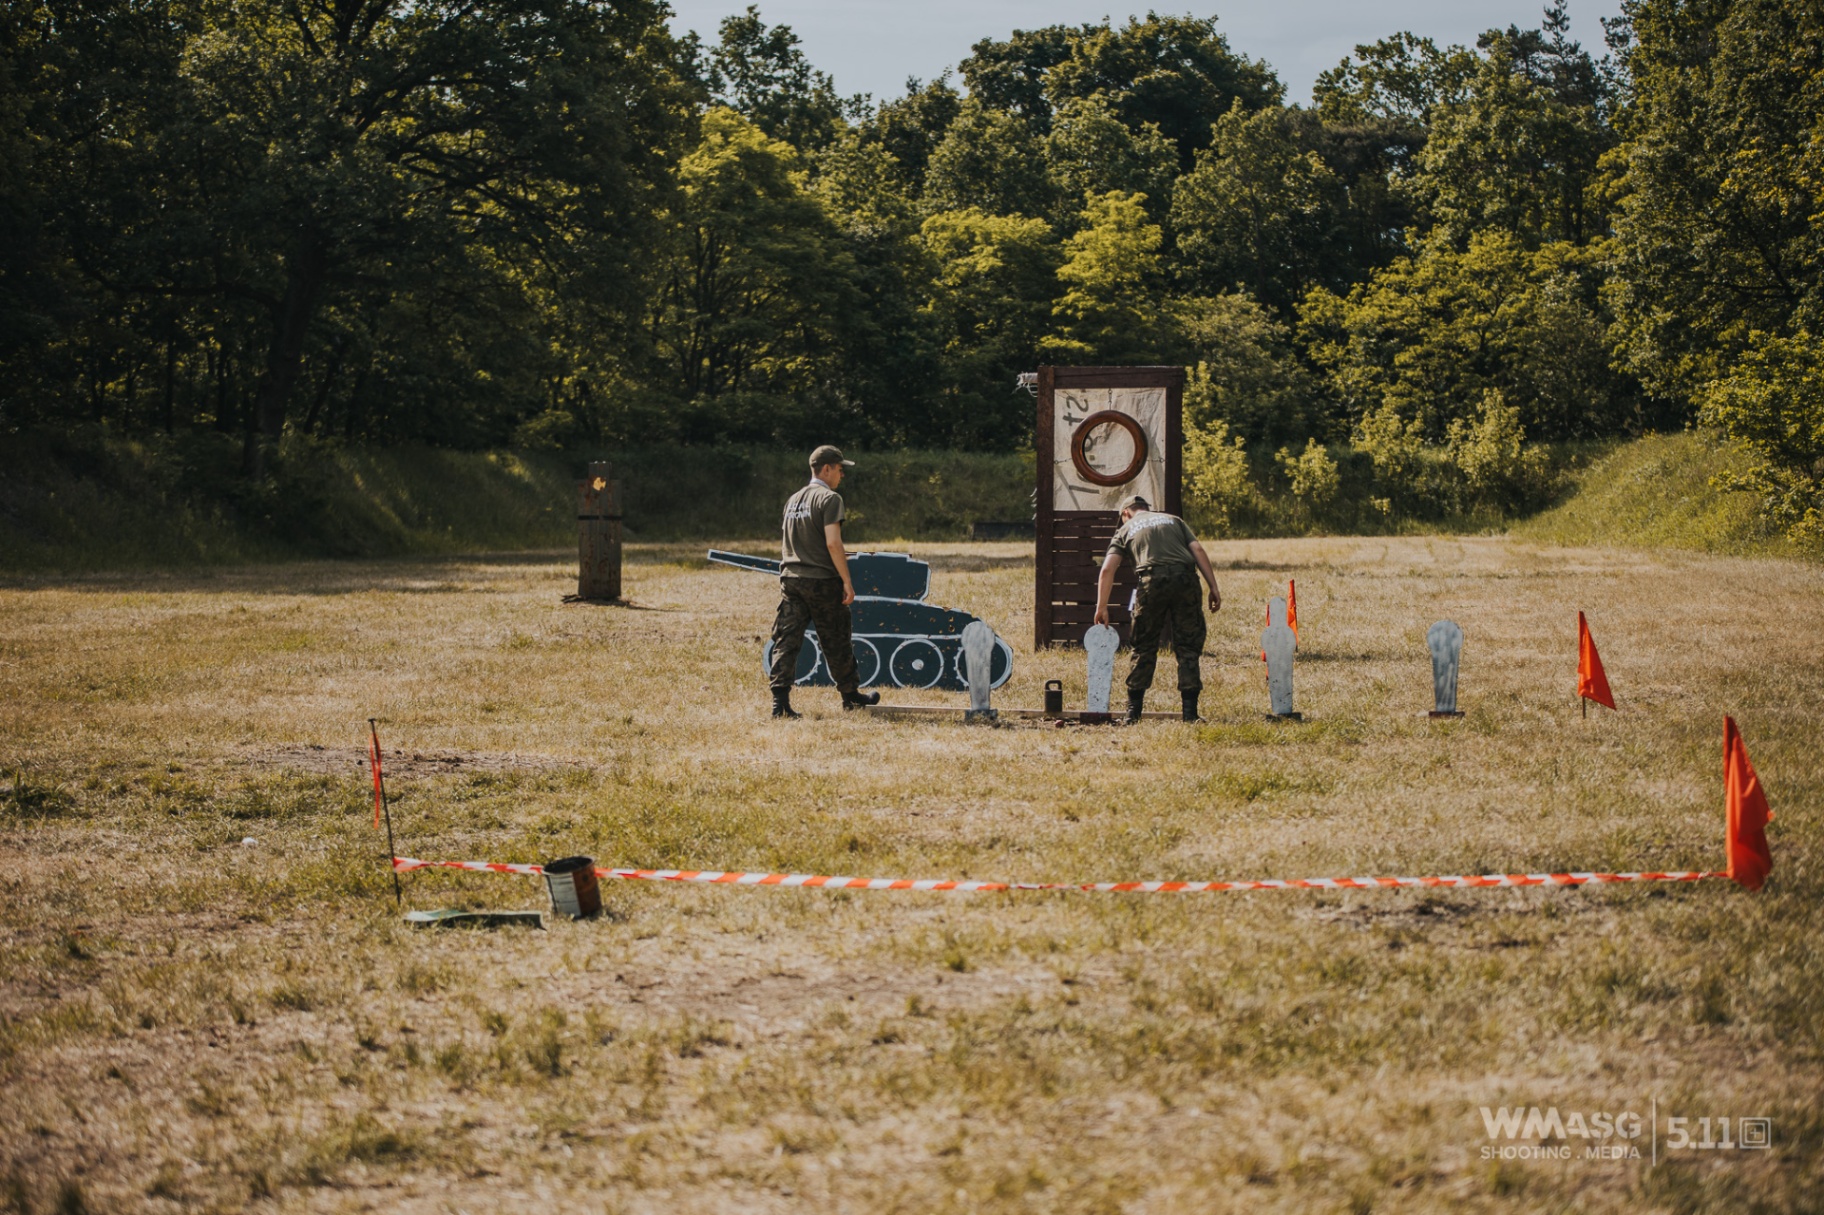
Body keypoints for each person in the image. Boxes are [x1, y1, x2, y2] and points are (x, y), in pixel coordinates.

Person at [769, 445, 882, 718]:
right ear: (827, 468)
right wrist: (847, 581)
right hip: (821, 581)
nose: (842, 475)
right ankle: (850, 696)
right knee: (837, 640)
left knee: (787, 641)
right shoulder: (830, 499)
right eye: (840, 469)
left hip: (791, 580)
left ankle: (780, 703)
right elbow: (833, 543)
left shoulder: (793, 500)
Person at [1093, 494, 1222, 723]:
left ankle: (1133, 712)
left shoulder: (1125, 529)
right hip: (1186, 580)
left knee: (1144, 645)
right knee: (1188, 645)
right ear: (1146, 508)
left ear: (1126, 513)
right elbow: (1198, 550)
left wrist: (1102, 606)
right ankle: (1190, 713)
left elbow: (1107, 570)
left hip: (1151, 582)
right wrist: (1213, 586)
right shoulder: (1174, 520)